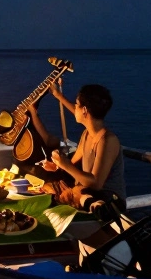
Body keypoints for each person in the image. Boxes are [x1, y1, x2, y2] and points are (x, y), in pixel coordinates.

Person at [27, 82, 126, 213]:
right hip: (87, 191)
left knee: (74, 192)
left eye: (77, 104)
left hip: (107, 200)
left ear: (84, 110)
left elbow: (96, 183)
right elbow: (72, 164)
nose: (75, 107)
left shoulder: (107, 140)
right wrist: (57, 165)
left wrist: (65, 165)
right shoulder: (87, 134)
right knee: (45, 188)